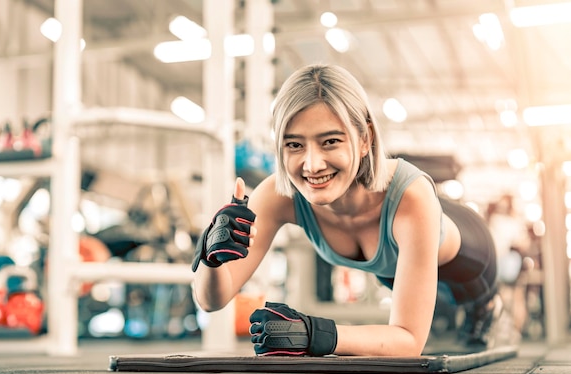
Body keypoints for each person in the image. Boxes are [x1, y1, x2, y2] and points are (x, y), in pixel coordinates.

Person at [191, 63, 503, 357]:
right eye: (294, 145)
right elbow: (210, 300)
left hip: (469, 266)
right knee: (435, 320)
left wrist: (315, 334)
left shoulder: (413, 198)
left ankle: (490, 308)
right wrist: (212, 257)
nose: (312, 165)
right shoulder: (278, 195)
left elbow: (409, 341)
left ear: (365, 138)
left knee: (474, 317)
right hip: (399, 265)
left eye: (329, 142)